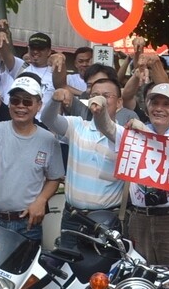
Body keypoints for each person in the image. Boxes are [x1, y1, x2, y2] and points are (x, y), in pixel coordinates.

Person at [0, 76, 64, 243]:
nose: (20, 106)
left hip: (27, 223)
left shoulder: (49, 140)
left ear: (38, 105)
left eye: (27, 102)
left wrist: (41, 200)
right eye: (15, 100)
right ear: (9, 103)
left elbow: (54, 178)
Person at [124, 83, 169, 264]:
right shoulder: (134, 134)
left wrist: (144, 131)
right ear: (147, 109)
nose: (159, 109)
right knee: (140, 278)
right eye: (154, 103)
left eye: (167, 104)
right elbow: (107, 128)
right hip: (139, 218)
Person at [41, 75, 128, 229]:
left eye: (106, 96)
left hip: (105, 219)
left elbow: (107, 126)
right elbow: (48, 119)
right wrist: (55, 100)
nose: (99, 100)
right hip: (72, 216)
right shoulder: (78, 125)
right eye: (94, 96)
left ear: (119, 102)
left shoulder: (124, 135)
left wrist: (101, 110)